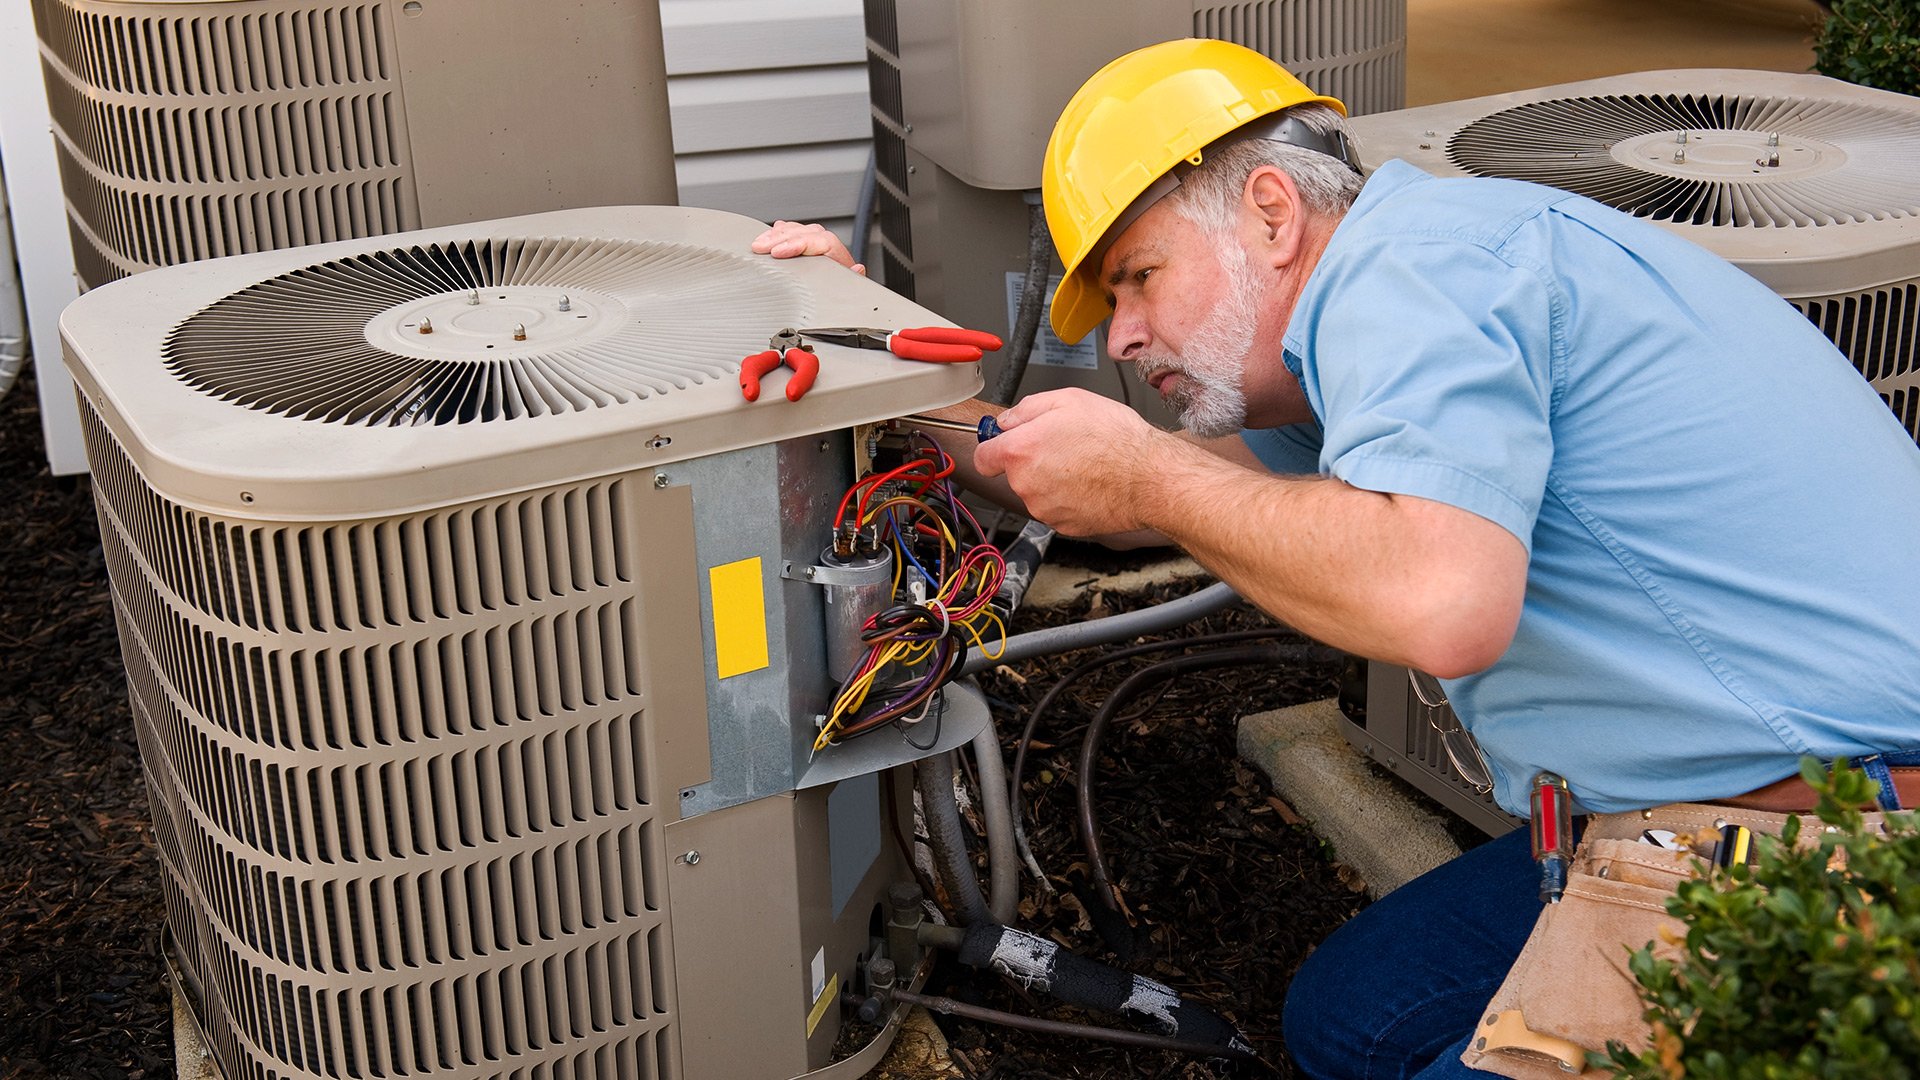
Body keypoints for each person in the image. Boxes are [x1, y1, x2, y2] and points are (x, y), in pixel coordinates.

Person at [755, 38, 1920, 1078]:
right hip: (1692, 798)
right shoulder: (1341, 338)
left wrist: (1154, 470)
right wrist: (888, 373)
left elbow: (1438, 600)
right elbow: (1144, 505)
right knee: (1348, 1021)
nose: (1120, 336)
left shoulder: (1414, 272)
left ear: (1270, 211)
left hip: (1828, 833)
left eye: (1138, 277)